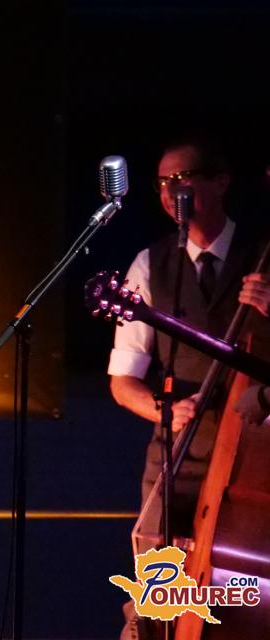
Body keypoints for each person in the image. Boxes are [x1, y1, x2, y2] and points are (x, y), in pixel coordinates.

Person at [108, 139, 270, 639]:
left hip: (254, 457)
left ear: (220, 182)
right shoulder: (150, 263)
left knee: (241, 603)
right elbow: (123, 381)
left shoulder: (263, 257)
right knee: (156, 608)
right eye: (162, 182)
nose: (169, 191)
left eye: (182, 179)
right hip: (177, 458)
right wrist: (166, 409)